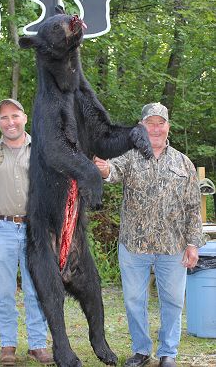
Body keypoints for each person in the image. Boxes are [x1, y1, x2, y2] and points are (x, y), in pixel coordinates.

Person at [94, 103, 205, 367]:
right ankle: (142, 351)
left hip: (173, 247)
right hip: (134, 247)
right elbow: (113, 171)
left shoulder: (183, 162)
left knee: (173, 302)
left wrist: (193, 244)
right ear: (141, 126)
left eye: (160, 123)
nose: (155, 128)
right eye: (150, 123)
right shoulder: (130, 156)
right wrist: (103, 169)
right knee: (134, 301)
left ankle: (169, 352)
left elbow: (193, 207)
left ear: (168, 127)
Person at [0, 99, 54, 366]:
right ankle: (8, 345)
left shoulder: (42, 152)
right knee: (4, 292)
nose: (10, 122)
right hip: (0, 231)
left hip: (35, 230)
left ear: (24, 118)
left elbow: (56, 193)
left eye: (14, 116)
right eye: (4, 118)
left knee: (35, 289)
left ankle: (38, 344)